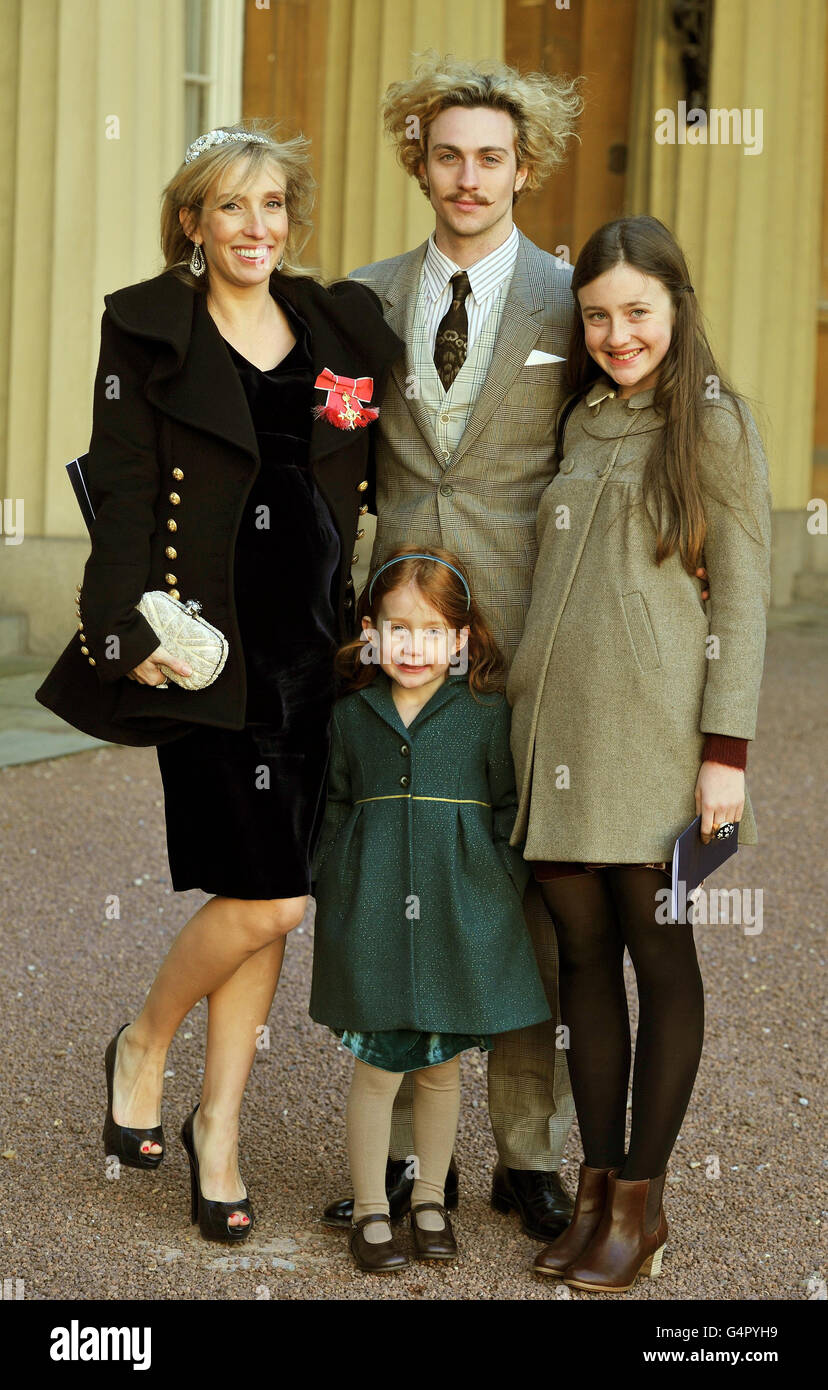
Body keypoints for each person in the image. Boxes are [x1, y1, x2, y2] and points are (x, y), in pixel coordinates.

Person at [36, 122, 402, 1243]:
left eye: (274, 205)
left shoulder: (338, 324)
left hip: (314, 654)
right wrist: (114, 629)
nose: (257, 227)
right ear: (192, 221)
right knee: (273, 895)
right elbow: (128, 487)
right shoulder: (145, 326)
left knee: (269, 904)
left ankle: (220, 1131)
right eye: (231, 207)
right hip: (205, 653)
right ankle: (145, 1042)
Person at [320, 51, 584, 1244]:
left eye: (491, 157)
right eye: (447, 156)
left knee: (521, 886)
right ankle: (393, 1122)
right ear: (418, 163)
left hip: (527, 641)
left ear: (524, 166)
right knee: (392, 851)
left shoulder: (575, 300)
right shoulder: (359, 300)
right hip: (396, 643)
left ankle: (526, 1149)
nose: (467, 177)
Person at [506, 215, 772, 1291]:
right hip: (556, 732)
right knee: (580, 963)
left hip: (662, 739)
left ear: (677, 307)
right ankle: (596, 1185)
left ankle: (644, 1205)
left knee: (658, 954)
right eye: (600, 315)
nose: (619, 334)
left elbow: (745, 595)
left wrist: (728, 754)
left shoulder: (711, 422)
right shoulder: (580, 419)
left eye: (639, 313)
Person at [309, 547, 552, 1271]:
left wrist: (496, 886)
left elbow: (510, 808)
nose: (414, 645)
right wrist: (335, 878)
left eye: (432, 630)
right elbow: (336, 807)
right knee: (378, 1068)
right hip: (373, 913)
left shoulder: (484, 716)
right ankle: (373, 1210)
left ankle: (430, 1202)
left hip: (459, 916)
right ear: (369, 633)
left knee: (443, 1069)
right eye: (398, 628)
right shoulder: (351, 715)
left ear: (462, 640)